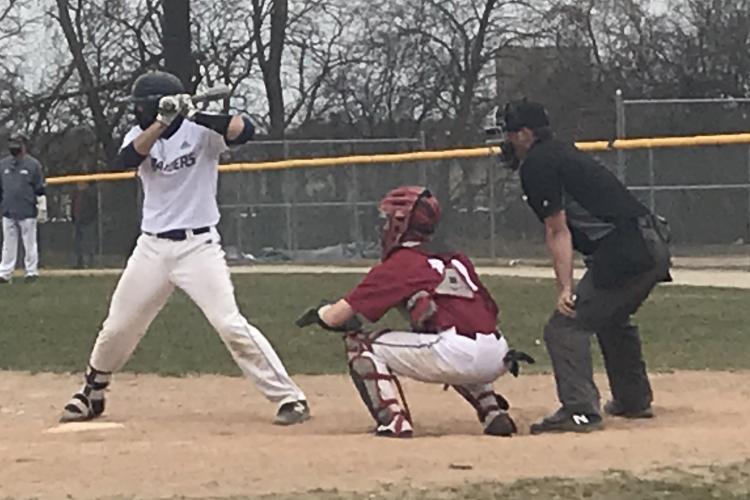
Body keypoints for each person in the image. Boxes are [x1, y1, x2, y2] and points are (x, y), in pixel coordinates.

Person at [60, 70, 310, 426]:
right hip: (152, 248)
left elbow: (246, 130)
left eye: (142, 107)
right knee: (118, 326)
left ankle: (290, 397)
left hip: (199, 247)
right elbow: (127, 159)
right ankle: (93, 391)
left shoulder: (203, 133)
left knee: (229, 323)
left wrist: (192, 114)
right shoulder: (141, 134)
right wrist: (163, 121)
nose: (137, 113)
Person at [492, 99, 671, 434]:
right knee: (610, 317)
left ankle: (580, 411)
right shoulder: (560, 151)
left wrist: (565, 289)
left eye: (511, 133)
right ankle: (633, 401)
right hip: (650, 242)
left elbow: (557, 231)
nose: (507, 141)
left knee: (564, 328)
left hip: (629, 248)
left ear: (527, 134)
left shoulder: (538, 163)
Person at [296, 186, 533, 438]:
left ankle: (394, 421)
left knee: (360, 345)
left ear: (401, 223)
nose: (384, 226)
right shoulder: (456, 258)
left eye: (388, 220)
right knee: (453, 340)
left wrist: (320, 312)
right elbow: (490, 309)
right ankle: (492, 411)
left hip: (458, 353)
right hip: (499, 353)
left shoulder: (403, 262)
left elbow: (335, 317)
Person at [0, 132, 47, 283]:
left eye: (17, 144)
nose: (14, 147)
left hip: (27, 211)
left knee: (29, 243)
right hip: (8, 211)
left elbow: (40, 189)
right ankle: (5, 273)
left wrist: (42, 208)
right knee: (8, 244)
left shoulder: (33, 165)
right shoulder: (3, 165)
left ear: (24, 146)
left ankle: (31, 272)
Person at [71, 182, 97, 268]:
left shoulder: (90, 194)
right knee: (77, 243)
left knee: (88, 242)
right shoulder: (75, 194)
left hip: (87, 221)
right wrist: (74, 218)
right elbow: (73, 206)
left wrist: (88, 218)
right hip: (77, 221)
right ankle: (79, 262)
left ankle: (89, 262)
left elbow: (93, 207)